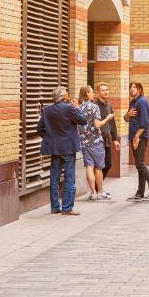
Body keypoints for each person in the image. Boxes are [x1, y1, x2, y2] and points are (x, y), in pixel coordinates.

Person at [38, 87, 88, 215]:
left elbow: (39, 128)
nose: (68, 95)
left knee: (54, 179)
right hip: (68, 148)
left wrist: (50, 138)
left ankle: (55, 207)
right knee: (69, 178)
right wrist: (77, 107)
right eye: (67, 93)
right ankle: (66, 208)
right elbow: (83, 120)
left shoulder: (47, 110)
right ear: (63, 96)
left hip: (54, 149)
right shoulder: (69, 108)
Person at [77, 86, 114, 200]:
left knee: (89, 166)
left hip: (84, 141)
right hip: (95, 141)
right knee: (98, 167)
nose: (93, 94)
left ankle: (93, 193)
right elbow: (97, 125)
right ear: (87, 94)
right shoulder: (94, 107)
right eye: (92, 92)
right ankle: (101, 192)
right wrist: (108, 118)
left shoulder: (79, 108)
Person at [124, 82, 149, 201]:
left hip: (140, 137)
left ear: (140, 89)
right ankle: (140, 192)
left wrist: (136, 137)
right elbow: (126, 118)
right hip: (134, 136)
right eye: (130, 87)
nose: (131, 89)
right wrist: (127, 115)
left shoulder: (142, 102)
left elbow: (144, 123)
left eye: (134, 87)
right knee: (139, 165)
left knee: (140, 164)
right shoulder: (133, 102)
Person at [95, 82, 120, 182]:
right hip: (97, 140)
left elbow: (112, 124)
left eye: (106, 90)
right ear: (98, 92)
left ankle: (98, 188)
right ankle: (97, 190)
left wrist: (115, 139)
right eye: (103, 90)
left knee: (108, 164)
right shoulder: (95, 106)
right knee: (99, 165)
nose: (105, 92)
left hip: (107, 140)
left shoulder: (109, 106)